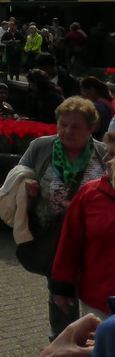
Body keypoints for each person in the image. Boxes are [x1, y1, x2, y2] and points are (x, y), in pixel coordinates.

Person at [16, 96, 106, 338]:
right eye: (62, 124)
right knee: (59, 296)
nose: (67, 131)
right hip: (53, 240)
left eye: (75, 126)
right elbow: (17, 180)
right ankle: (60, 342)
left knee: (91, 297)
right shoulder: (40, 147)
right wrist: (29, 192)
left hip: (93, 244)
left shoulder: (104, 154)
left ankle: (93, 343)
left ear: (91, 128)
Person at [50, 131, 115, 322]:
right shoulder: (90, 194)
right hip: (98, 301)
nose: (104, 159)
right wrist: (61, 284)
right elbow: (70, 243)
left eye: (112, 155)